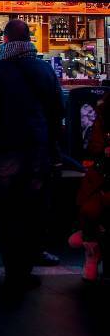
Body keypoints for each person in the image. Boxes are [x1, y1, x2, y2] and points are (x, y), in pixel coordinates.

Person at [0, 18, 64, 295]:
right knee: (32, 211)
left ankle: (12, 271)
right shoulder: (45, 70)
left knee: (4, 211)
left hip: (7, 151)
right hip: (37, 152)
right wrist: (52, 149)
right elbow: (57, 111)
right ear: (29, 40)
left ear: (6, 40)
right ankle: (25, 270)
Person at [68, 92, 109, 281]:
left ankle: (89, 243)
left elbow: (94, 146)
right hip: (102, 179)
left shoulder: (103, 111)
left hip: (101, 178)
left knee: (91, 207)